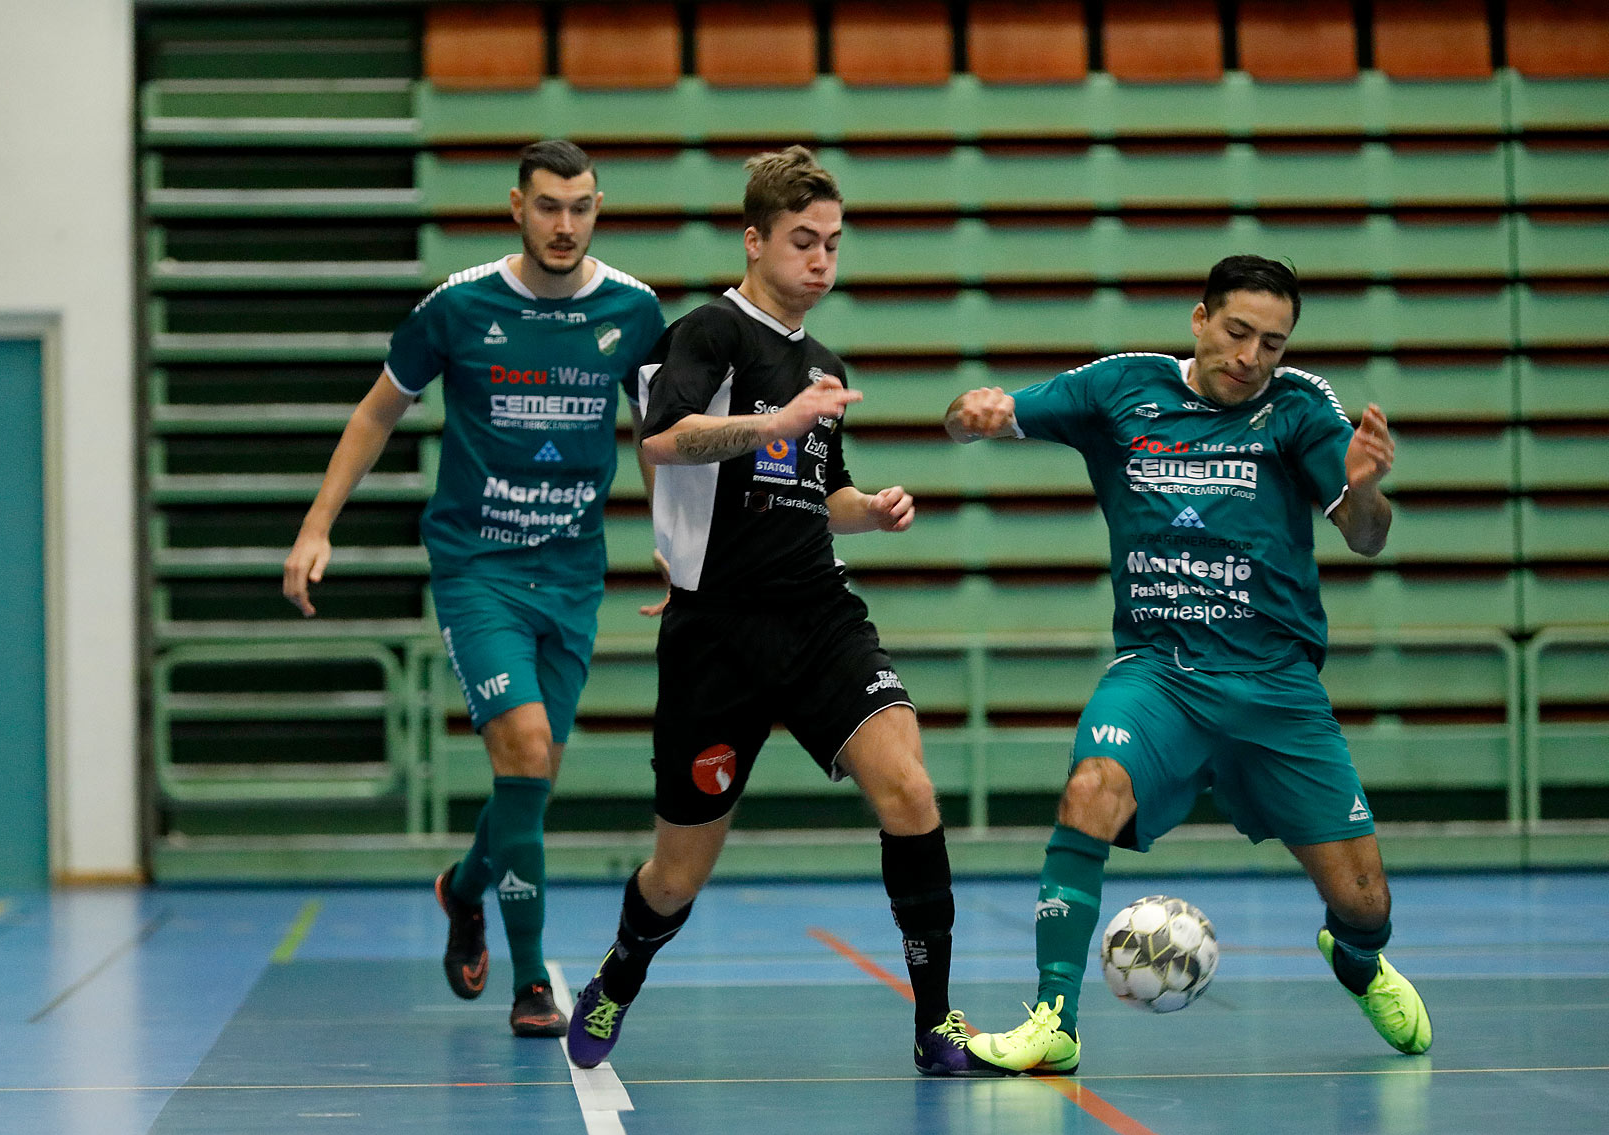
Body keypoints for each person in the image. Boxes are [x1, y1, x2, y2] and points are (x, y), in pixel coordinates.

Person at [564, 145, 1000, 1078]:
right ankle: (619, 972)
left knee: (911, 790)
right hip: (715, 634)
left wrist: (870, 510)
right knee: (677, 874)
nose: (822, 261)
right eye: (803, 241)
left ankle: (936, 1022)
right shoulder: (709, 335)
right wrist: (774, 422)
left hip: (817, 615)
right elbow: (667, 440)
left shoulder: (824, 366)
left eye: (834, 244)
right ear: (754, 240)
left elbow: (820, 490)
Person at [946, 255, 1431, 1074]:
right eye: (1237, 332)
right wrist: (976, 413)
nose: (1250, 357)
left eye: (1271, 343)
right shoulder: (1121, 388)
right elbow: (966, 417)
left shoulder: (1299, 408)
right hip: (1160, 672)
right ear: (1199, 318)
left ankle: (1356, 961)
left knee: (1364, 902)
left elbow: (1367, 535)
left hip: (1275, 683)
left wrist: (1368, 489)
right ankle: (1055, 1019)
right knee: (1090, 788)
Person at [283, 140, 665, 1037]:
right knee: (526, 750)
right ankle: (534, 982)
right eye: (547, 207)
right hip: (477, 571)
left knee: (534, 774)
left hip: (572, 578)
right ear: (516, 207)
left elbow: (656, 439)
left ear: (597, 208)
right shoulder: (459, 308)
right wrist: (314, 525)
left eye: (579, 208)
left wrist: (675, 554)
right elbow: (379, 409)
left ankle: (463, 886)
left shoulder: (635, 313)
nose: (564, 225)